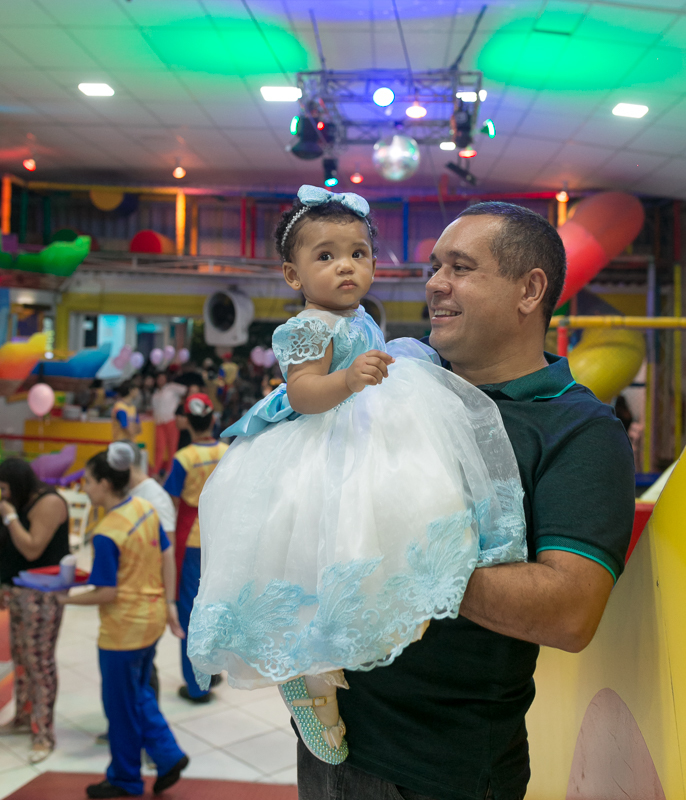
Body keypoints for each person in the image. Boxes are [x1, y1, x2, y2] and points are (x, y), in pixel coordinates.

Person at [295, 202, 636, 799]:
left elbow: (569, 610)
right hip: (330, 739)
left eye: (460, 267)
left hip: (440, 771)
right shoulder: (398, 386)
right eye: (433, 267)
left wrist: (396, 553)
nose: (434, 284)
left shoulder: (576, 429)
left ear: (530, 290)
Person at [187, 186, 527, 765]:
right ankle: (308, 676)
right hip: (321, 445)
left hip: (368, 434)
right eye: (325, 256)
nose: (345, 265)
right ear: (293, 275)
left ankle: (390, 615)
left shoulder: (366, 319)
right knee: (312, 561)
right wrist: (347, 382)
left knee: (398, 521)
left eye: (358, 253)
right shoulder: (307, 328)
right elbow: (302, 393)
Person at [58, 444, 189, 799]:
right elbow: (165, 554)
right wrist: (169, 601)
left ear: (104, 483)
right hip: (151, 619)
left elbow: (106, 592)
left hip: (122, 631)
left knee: (119, 706)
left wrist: (66, 598)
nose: (85, 488)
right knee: (139, 693)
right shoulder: (144, 508)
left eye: (88, 481)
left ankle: (125, 779)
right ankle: (167, 754)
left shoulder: (107, 531)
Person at [0, 458, 70, 764]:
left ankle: (43, 733)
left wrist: (10, 516)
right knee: (20, 656)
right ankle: (23, 718)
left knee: (39, 661)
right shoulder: (15, 500)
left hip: (40, 595)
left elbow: (31, 548)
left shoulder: (49, 503)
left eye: (4, 489)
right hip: (15, 590)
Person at [163, 394, 228, 703]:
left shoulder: (183, 458)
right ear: (213, 419)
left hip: (190, 542)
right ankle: (213, 670)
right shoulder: (227, 451)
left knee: (191, 610)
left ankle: (196, 684)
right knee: (216, 604)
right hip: (221, 538)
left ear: (187, 421)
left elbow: (171, 504)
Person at [151, 372, 187, 479]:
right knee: (159, 447)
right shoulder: (156, 392)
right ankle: (156, 471)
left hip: (171, 420)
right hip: (159, 422)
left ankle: (169, 472)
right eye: (159, 378)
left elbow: (185, 390)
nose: (161, 380)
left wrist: (182, 403)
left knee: (172, 447)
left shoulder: (171, 387)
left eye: (163, 378)